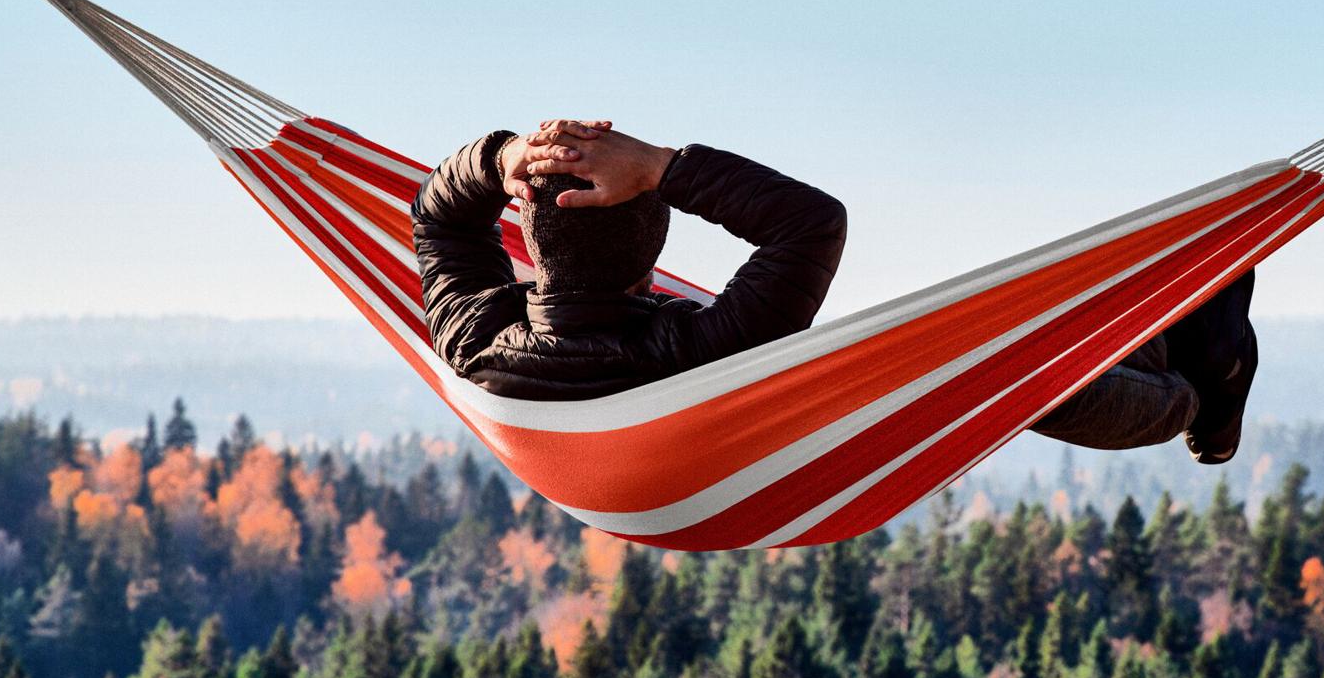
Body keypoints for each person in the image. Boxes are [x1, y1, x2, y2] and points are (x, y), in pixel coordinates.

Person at [411, 120, 1258, 463]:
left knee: (973, 368)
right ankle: (1192, 395)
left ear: (524, 239)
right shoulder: (706, 348)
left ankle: (1181, 366)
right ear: (657, 247)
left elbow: (437, 223)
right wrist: (664, 167)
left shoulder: (477, 343)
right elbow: (811, 224)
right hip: (777, 453)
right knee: (978, 370)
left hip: (682, 480)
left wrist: (497, 159)